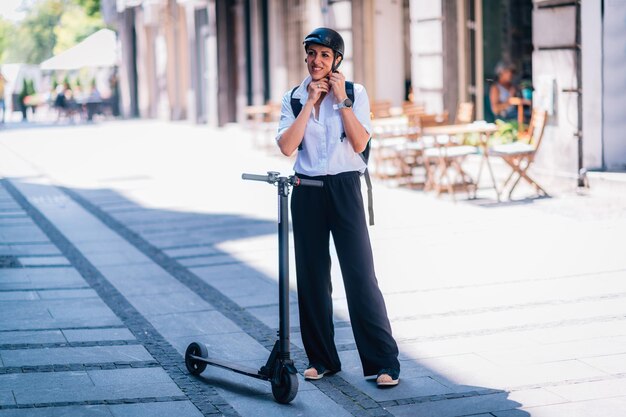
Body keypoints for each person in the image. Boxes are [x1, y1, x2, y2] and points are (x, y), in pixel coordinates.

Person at [275, 27, 400, 387]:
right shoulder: (294, 98)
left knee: (360, 276)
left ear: (337, 61)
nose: (316, 61)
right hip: (307, 190)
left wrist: (342, 101)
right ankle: (322, 358)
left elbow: (360, 142)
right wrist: (311, 103)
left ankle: (383, 362)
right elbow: (287, 147)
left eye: (325, 55)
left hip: (346, 189)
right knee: (312, 279)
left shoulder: (356, 93)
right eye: (312, 53)